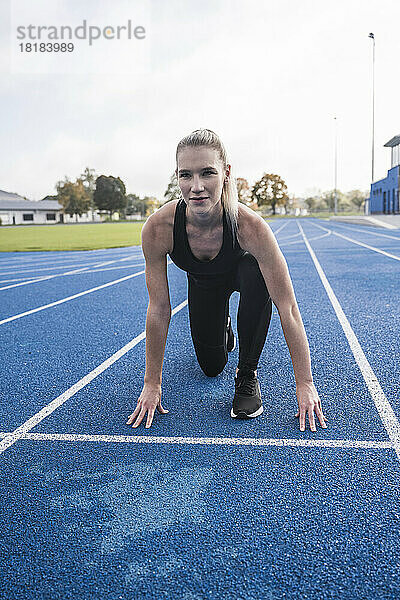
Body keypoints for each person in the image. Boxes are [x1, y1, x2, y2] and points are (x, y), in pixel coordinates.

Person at [126, 128, 328, 432]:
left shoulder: (251, 227)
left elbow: (287, 308)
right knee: (211, 368)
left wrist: (305, 383)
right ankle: (224, 326)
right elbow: (158, 309)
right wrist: (151, 383)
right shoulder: (158, 228)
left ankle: (247, 374)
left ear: (225, 174)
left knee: (256, 271)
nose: (196, 187)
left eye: (207, 173)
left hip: (244, 277)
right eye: (186, 175)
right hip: (203, 285)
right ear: (177, 177)